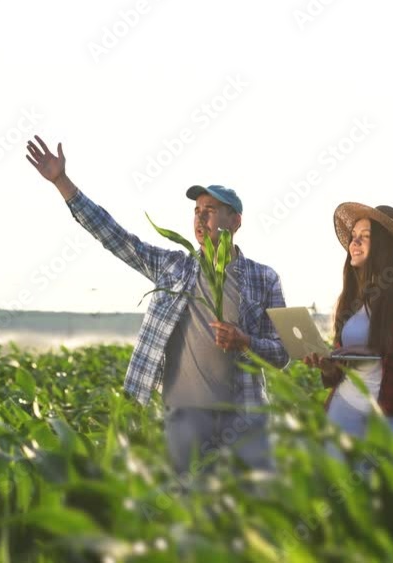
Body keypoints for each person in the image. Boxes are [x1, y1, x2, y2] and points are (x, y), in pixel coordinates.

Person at [25, 135, 290, 477]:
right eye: (197, 211)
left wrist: (246, 342)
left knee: (249, 511)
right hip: (185, 417)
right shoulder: (173, 267)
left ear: (235, 221)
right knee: (187, 510)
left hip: (245, 418)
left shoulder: (264, 278)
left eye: (210, 211)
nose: (200, 218)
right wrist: (62, 183)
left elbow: (282, 353)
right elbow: (115, 237)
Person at [304, 202, 393, 474]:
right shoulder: (352, 296)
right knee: (344, 512)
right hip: (343, 417)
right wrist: (328, 365)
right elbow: (343, 368)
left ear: (383, 244)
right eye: (352, 236)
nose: (353, 243)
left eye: (363, 237)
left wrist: (383, 354)